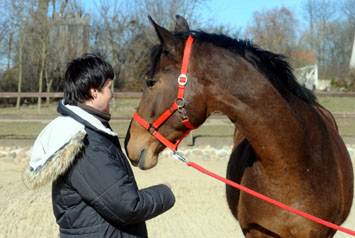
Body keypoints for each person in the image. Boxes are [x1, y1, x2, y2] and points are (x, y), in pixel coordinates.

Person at [23, 54, 175, 238]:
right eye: (109, 88)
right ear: (94, 91)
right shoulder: (85, 143)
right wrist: (164, 192)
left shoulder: (91, 131)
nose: (112, 94)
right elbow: (127, 206)